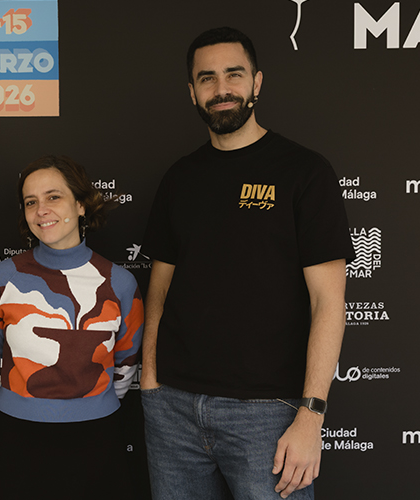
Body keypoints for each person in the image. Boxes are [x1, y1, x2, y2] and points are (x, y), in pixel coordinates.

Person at [139, 27, 355, 500]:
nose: (221, 89)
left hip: (269, 413)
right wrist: (150, 381)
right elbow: (159, 288)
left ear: (257, 82)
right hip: (173, 407)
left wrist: (311, 415)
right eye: (207, 78)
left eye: (233, 75)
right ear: (192, 91)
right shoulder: (179, 178)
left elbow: (328, 302)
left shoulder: (304, 172)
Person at [0, 155, 144, 498]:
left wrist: (85, 404)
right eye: (31, 202)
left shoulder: (120, 282)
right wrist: (28, 402)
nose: (41, 210)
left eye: (53, 197)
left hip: (95, 437)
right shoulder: (1, 278)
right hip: (16, 435)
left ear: (81, 205)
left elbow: (125, 363)